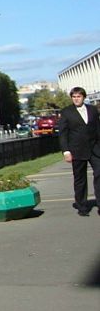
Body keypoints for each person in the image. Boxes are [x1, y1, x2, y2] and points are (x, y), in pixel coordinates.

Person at [57, 86, 100, 217]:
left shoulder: (93, 110)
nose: (76, 99)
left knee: (99, 174)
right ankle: (82, 206)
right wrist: (66, 151)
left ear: (84, 97)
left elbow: (97, 129)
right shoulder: (66, 112)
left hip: (95, 149)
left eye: (79, 96)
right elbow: (63, 134)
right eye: (74, 97)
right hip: (77, 150)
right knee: (80, 179)